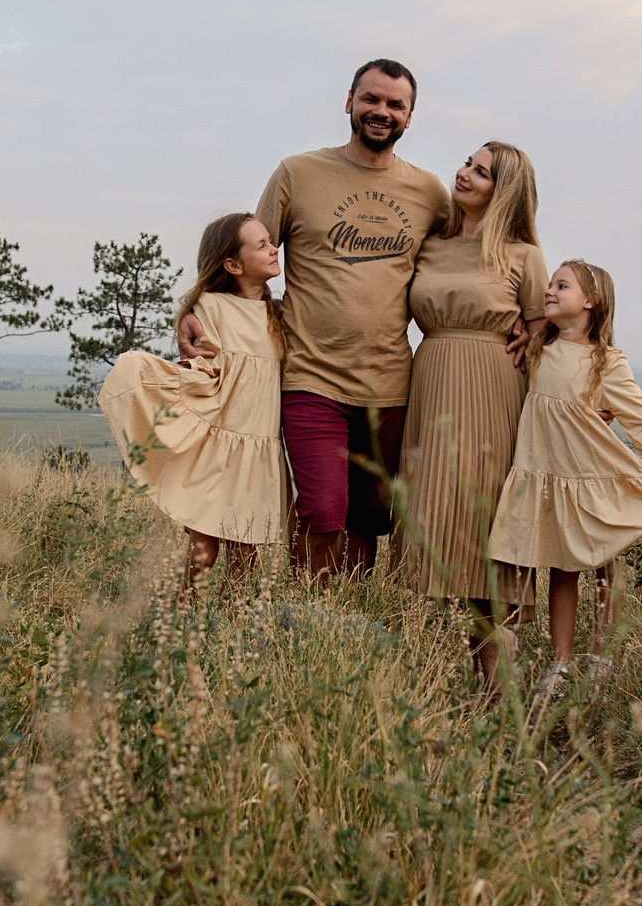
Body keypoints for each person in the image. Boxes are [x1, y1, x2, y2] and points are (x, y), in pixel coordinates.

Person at [186, 58, 458, 578]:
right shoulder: (298, 172)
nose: (381, 111)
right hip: (310, 375)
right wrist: (196, 312)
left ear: (409, 116)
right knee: (323, 510)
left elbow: (465, 259)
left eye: (394, 104)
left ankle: (344, 621)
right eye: (371, 99)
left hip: (392, 383)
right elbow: (242, 254)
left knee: (370, 516)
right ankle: (309, 617)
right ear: (350, 102)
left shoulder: (428, 193)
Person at [488, 259, 642, 701]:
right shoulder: (539, 347)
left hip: (591, 475)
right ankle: (560, 666)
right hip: (548, 476)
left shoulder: (604, 362)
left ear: (590, 301)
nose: (549, 291)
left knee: (605, 562)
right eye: (550, 285)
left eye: (562, 286)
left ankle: (601, 656)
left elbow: (641, 417)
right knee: (562, 568)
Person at [394, 141, 548, 691]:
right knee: (430, 513)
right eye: (467, 163)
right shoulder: (429, 245)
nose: (464, 175)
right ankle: (426, 679)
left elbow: (543, 335)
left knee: (484, 524)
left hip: (493, 391)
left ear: (502, 191)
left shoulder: (523, 255)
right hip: (431, 380)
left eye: (482, 173)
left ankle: (499, 689)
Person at [98, 213, 289, 590]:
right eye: (262, 244)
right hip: (219, 446)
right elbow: (205, 368)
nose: (274, 248)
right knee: (204, 547)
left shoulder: (277, 314)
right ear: (233, 265)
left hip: (258, 443)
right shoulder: (211, 307)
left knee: (245, 550)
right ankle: (179, 612)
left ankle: (231, 622)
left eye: (271, 241)